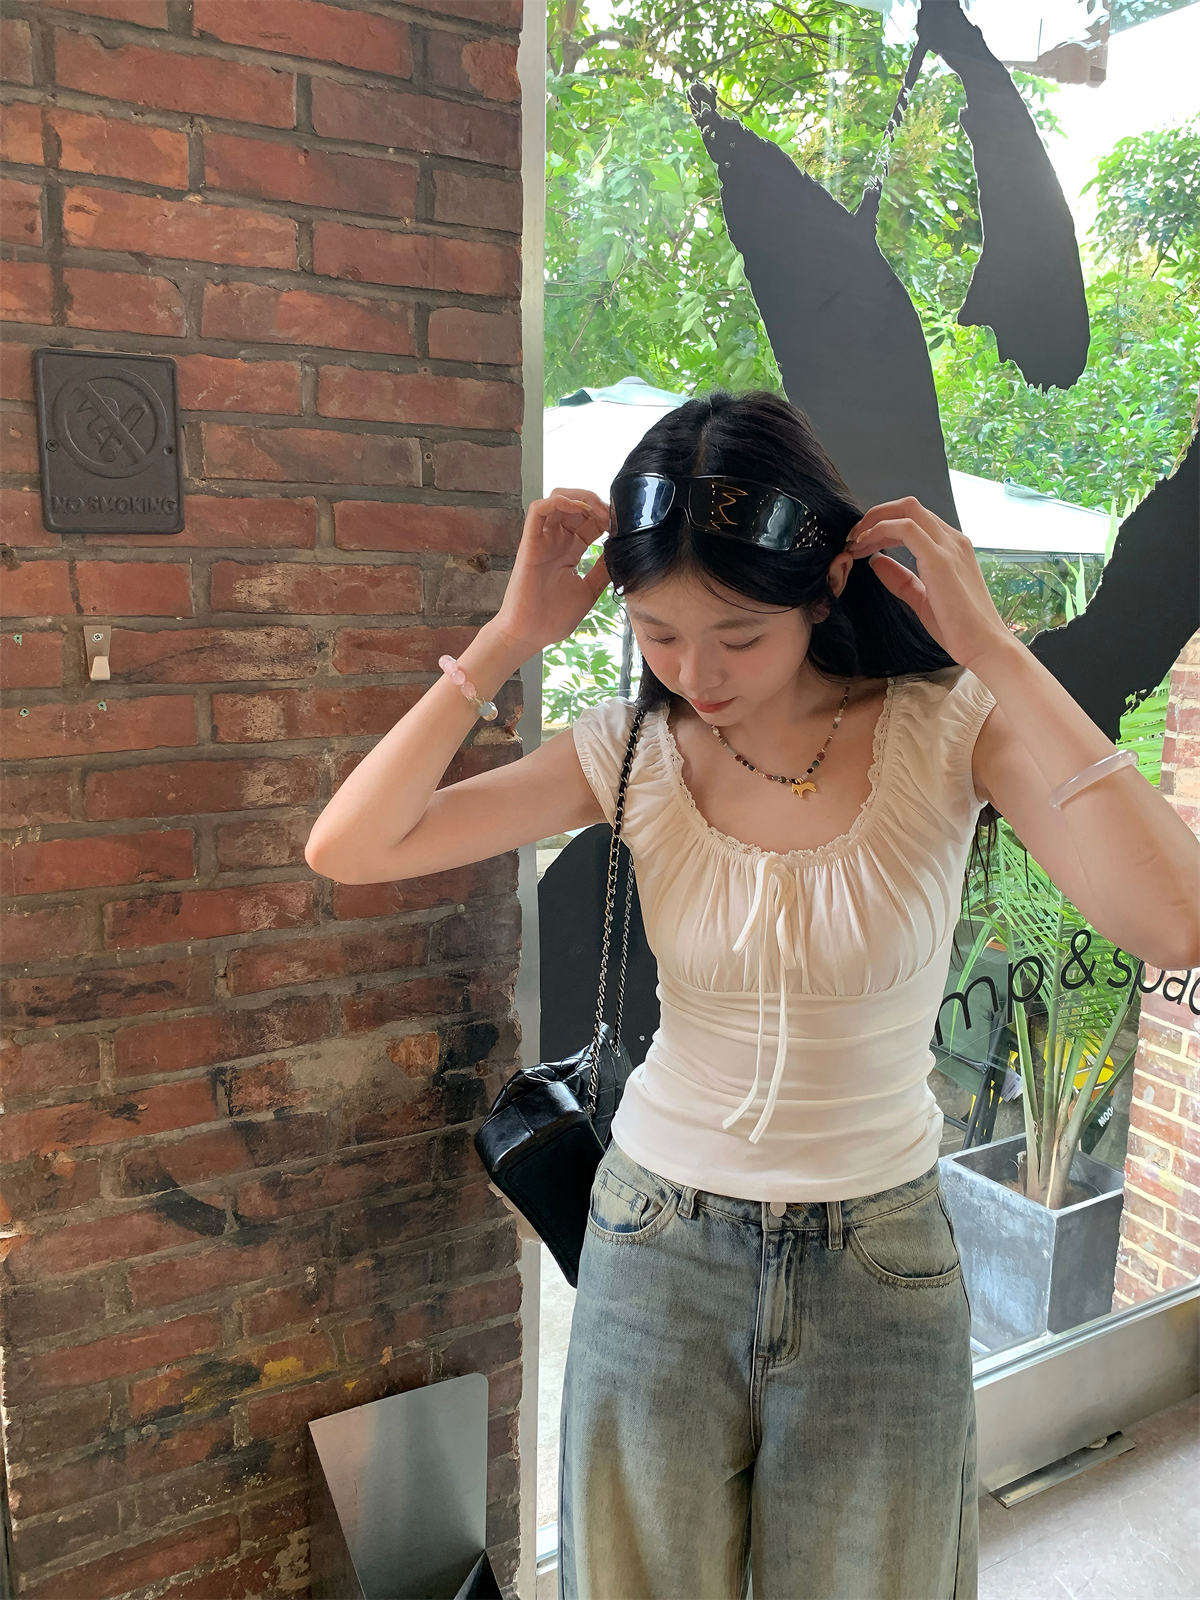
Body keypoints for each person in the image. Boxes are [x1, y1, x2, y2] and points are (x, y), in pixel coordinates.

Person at [304, 390, 1200, 1600]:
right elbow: (350, 845)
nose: (696, 672)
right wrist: (510, 638)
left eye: (738, 633)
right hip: (656, 1247)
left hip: (879, 1263)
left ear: (822, 590)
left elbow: (1174, 918)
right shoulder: (631, 748)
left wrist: (993, 648)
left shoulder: (948, 729)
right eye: (659, 632)